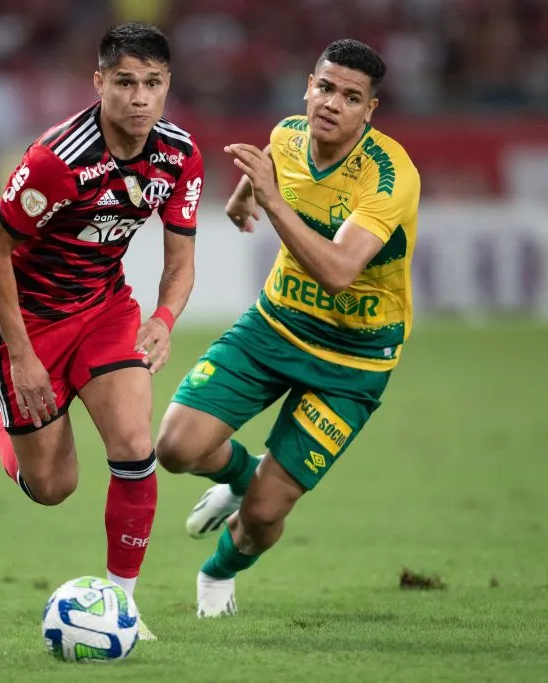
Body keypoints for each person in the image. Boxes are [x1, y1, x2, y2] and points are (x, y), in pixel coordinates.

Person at [153, 39, 421, 617]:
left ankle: (218, 572)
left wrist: (269, 201)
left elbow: (340, 272)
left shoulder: (389, 175)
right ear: (308, 85)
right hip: (275, 325)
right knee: (174, 447)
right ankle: (240, 473)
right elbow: (267, 176)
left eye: (352, 97)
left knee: (265, 515)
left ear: (369, 111)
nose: (332, 104)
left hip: (355, 359)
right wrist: (245, 199)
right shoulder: (287, 135)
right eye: (326, 88)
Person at [0, 22, 203, 639]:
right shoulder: (57, 161)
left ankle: (123, 604)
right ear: (99, 84)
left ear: (168, 85)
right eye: (125, 82)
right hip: (28, 317)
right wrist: (19, 356)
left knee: (133, 445)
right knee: (54, 486)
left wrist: (164, 319)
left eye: (152, 83)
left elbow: (180, 264)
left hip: (102, 307)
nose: (140, 98)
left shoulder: (178, 156)